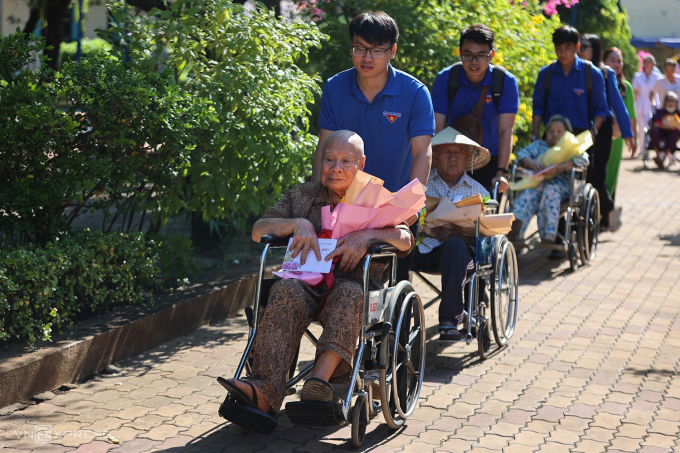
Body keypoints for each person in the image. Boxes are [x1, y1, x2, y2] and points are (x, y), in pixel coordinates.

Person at [218, 130, 415, 420]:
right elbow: (259, 229)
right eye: (329, 159)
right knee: (284, 290)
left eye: (346, 160)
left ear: (361, 164)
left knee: (349, 293)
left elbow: (406, 239)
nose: (335, 167)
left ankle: (318, 384)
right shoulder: (303, 196)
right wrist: (297, 224)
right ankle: (264, 391)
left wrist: (367, 236)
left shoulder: (374, 197)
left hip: (353, 288)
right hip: (305, 285)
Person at [311, 11, 434, 282]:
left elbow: (422, 151)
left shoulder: (414, 92)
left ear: (393, 51)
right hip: (343, 203)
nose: (367, 58)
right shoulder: (335, 87)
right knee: (333, 281)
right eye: (359, 48)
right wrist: (315, 198)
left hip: (393, 206)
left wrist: (410, 205)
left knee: (396, 284)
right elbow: (323, 148)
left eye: (377, 50)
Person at [531, 26, 608, 258]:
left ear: (577, 47)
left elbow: (601, 109)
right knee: (550, 181)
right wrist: (537, 135)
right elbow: (538, 107)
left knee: (576, 187)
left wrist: (592, 133)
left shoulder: (590, 73)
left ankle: (571, 234)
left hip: (579, 138)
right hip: (553, 136)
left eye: (568, 48)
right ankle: (553, 234)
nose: (562, 53)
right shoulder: (546, 74)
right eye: (558, 49)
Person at [412, 127, 490, 341]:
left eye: (458, 153)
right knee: (396, 246)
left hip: (459, 255)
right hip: (424, 248)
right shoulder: (421, 185)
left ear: (467, 157)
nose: (453, 157)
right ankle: (391, 321)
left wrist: (461, 234)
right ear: (435, 156)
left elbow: (488, 237)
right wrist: (426, 227)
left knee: (455, 246)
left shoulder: (480, 193)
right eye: (447, 153)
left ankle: (449, 320)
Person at [431, 24, 519, 193]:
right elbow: (437, 127)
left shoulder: (504, 82)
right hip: (452, 158)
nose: (474, 62)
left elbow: (506, 131)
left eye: (481, 56)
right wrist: (433, 164)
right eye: (468, 55)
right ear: (459, 53)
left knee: (484, 215)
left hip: (490, 159)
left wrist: (501, 172)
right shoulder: (447, 79)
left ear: (491, 55)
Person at [577, 34, 634, 233]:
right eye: (578, 45)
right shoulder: (573, 70)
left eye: (584, 46)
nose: (579, 49)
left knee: (597, 177)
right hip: (579, 128)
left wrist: (628, 134)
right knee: (579, 176)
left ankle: (608, 209)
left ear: (594, 49)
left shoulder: (606, 72)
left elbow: (618, 106)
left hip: (602, 129)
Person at [511, 115, 589, 245]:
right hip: (537, 185)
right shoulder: (539, 146)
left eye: (559, 131)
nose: (555, 134)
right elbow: (521, 154)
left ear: (567, 134)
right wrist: (533, 164)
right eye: (551, 131)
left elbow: (584, 159)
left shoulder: (570, 148)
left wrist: (560, 168)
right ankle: (515, 230)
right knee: (528, 195)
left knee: (550, 190)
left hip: (561, 186)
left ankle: (549, 234)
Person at [603, 47, 637, 196]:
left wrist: (632, 137)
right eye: (612, 60)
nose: (616, 64)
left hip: (617, 139)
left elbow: (631, 115)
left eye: (619, 61)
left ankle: (606, 212)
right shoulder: (597, 81)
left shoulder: (626, 87)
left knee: (611, 174)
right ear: (604, 62)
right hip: (600, 134)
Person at [632, 55, 662, 157]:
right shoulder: (638, 76)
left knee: (650, 129)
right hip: (641, 105)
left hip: (653, 106)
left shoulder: (658, 77)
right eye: (646, 62)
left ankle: (648, 148)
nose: (647, 64)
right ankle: (642, 150)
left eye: (649, 62)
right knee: (641, 128)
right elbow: (634, 91)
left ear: (653, 64)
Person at [649, 91, 680, 168]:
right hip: (660, 133)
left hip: (673, 134)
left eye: (672, 101)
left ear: (676, 103)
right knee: (654, 131)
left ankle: (663, 156)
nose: (670, 103)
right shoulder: (660, 112)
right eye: (668, 101)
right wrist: (665, 126)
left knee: (674, 133)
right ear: (665, 102)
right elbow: (655, 124)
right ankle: (659, 154)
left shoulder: (678, 114)